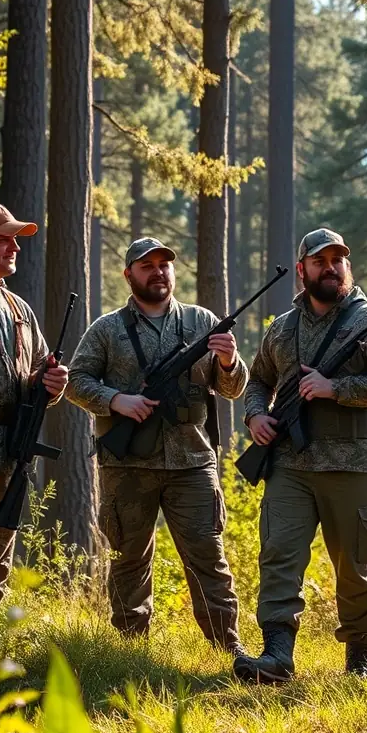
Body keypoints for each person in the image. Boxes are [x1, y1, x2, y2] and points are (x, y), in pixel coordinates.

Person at [233, 228, 367, 683]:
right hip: (289, 465)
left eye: (337, 260)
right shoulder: (282, 328)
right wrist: (255, 416)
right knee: (278, 556)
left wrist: (336, 388)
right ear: (301, 270)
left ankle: (358, 660)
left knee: (355, 567)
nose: (330, 268)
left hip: (351, 466)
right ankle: (276, 656)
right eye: (320, 261)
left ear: (347, 266)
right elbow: (258, 380)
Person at [66, 237, 248, 653]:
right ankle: (131, 650)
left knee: (208, 556)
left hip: (192, 461)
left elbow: (233, 389)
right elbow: (76, 381)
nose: (158, 272)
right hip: (127, 464)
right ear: (128, 274)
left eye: (164, 264)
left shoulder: (203, 322)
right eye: (146, 266)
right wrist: (116, 400)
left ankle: (228, 648)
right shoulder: (107, 329)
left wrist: (229, 361)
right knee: (129, 558)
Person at [0, 202, 68, 633]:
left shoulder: (19, 308)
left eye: (16, 240)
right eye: (4, 239)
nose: (15, 247)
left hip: (9, 445)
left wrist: (51, 382)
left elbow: (38, 371)